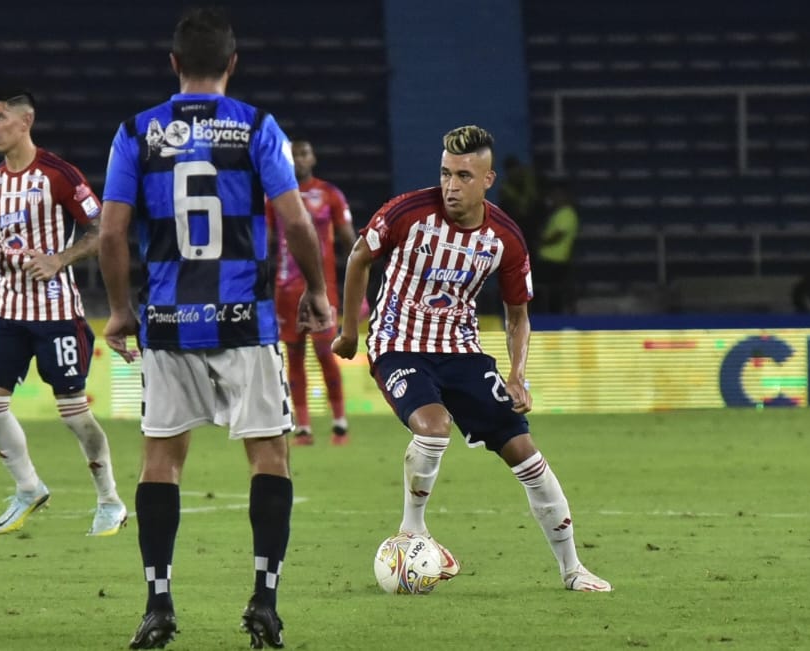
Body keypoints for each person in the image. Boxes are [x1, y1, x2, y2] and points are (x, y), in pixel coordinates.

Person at [98, 8, 333, 649]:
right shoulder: (257, 126)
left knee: (160, 463)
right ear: (233, 64)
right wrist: (316, 291)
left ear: (173, 65)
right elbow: (296, 222)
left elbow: (112, 232)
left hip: (169, 322)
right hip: (244, 321)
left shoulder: (135, 132)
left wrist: (121, 311)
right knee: (269, 455)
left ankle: (158, 603)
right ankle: (264, 599)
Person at [332, 125, 611, 593]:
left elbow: (517, 313)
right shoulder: (407, 212)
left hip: (462, 351)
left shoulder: (505, 237)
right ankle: (412, 531)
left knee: (526, 453)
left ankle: (572, 569)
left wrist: (518, 375)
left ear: (487, 180)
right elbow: (359, 256)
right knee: (434, 426)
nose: (450, 186)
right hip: (398, 343)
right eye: (445, 173)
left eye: (463, 175)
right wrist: (347, 331)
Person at [0, 86, 126, 538]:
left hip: (56, 310)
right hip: (7, 307)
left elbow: (103, 228)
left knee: (74, 414)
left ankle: (110, 500)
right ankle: (28, 487)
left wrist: (60, 259)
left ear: (26, 121)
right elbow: (7, 236)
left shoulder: (59, 175)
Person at [265, 139, 355, 446]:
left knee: (326, 353)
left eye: (303, 153)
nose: (299, 160)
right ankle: (302, 426)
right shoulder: (275, 196)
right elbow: (265, 244)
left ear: (312, 157)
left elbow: (349, 241)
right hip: (285, 289)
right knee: (294, 356)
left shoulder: (329, 194)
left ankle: (340, 422)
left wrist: (359, 289)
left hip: (322, 287)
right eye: (293, 155)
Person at [533, 181, 580, 314]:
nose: (553, 198)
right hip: (548, 258)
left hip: (555, 259)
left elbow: (558, 234)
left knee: (551, 292)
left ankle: (552, 317)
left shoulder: (567, 213)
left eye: (556, 195)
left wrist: (541, 242)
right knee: (545, 291)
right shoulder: (557, 213)